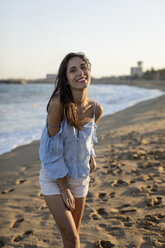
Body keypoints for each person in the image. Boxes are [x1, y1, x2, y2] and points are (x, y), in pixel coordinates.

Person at [39, 52, 103, 248]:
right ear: (66, 80)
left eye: (83, 67)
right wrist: (64, 187)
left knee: (73, 235)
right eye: (73, 70)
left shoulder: (95, 109)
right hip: (54, 177)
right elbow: (49, 151)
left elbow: (88, 138)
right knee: (71, 236)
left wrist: (91, 155)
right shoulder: (58, 105)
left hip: (81, 178)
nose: (80, 72)